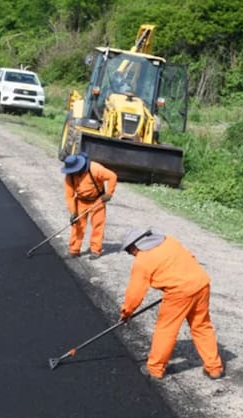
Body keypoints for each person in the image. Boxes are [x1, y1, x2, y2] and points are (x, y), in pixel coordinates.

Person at [119, 228, 224, 380]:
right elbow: (190, 259)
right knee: (202, 326)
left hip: (179, 293)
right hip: (201, 284)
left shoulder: (143, 260)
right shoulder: (169, 241)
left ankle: (155, 369)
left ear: (135, 245)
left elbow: (134, 293)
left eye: (129, 251)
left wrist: (126, 313)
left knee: (166, 329)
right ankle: (214, 368)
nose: (131, 255)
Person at [61, 153, 117, 259]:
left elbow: (112, 176)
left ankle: (95, 250)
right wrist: (73, 212)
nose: (73, 173)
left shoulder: (95, 169)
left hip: (97, 200)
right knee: (77, 225)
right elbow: (69, 195)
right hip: (80, 201)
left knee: (98, 225)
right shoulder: (69, 176)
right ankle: (74, 250)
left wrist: (109, 193)